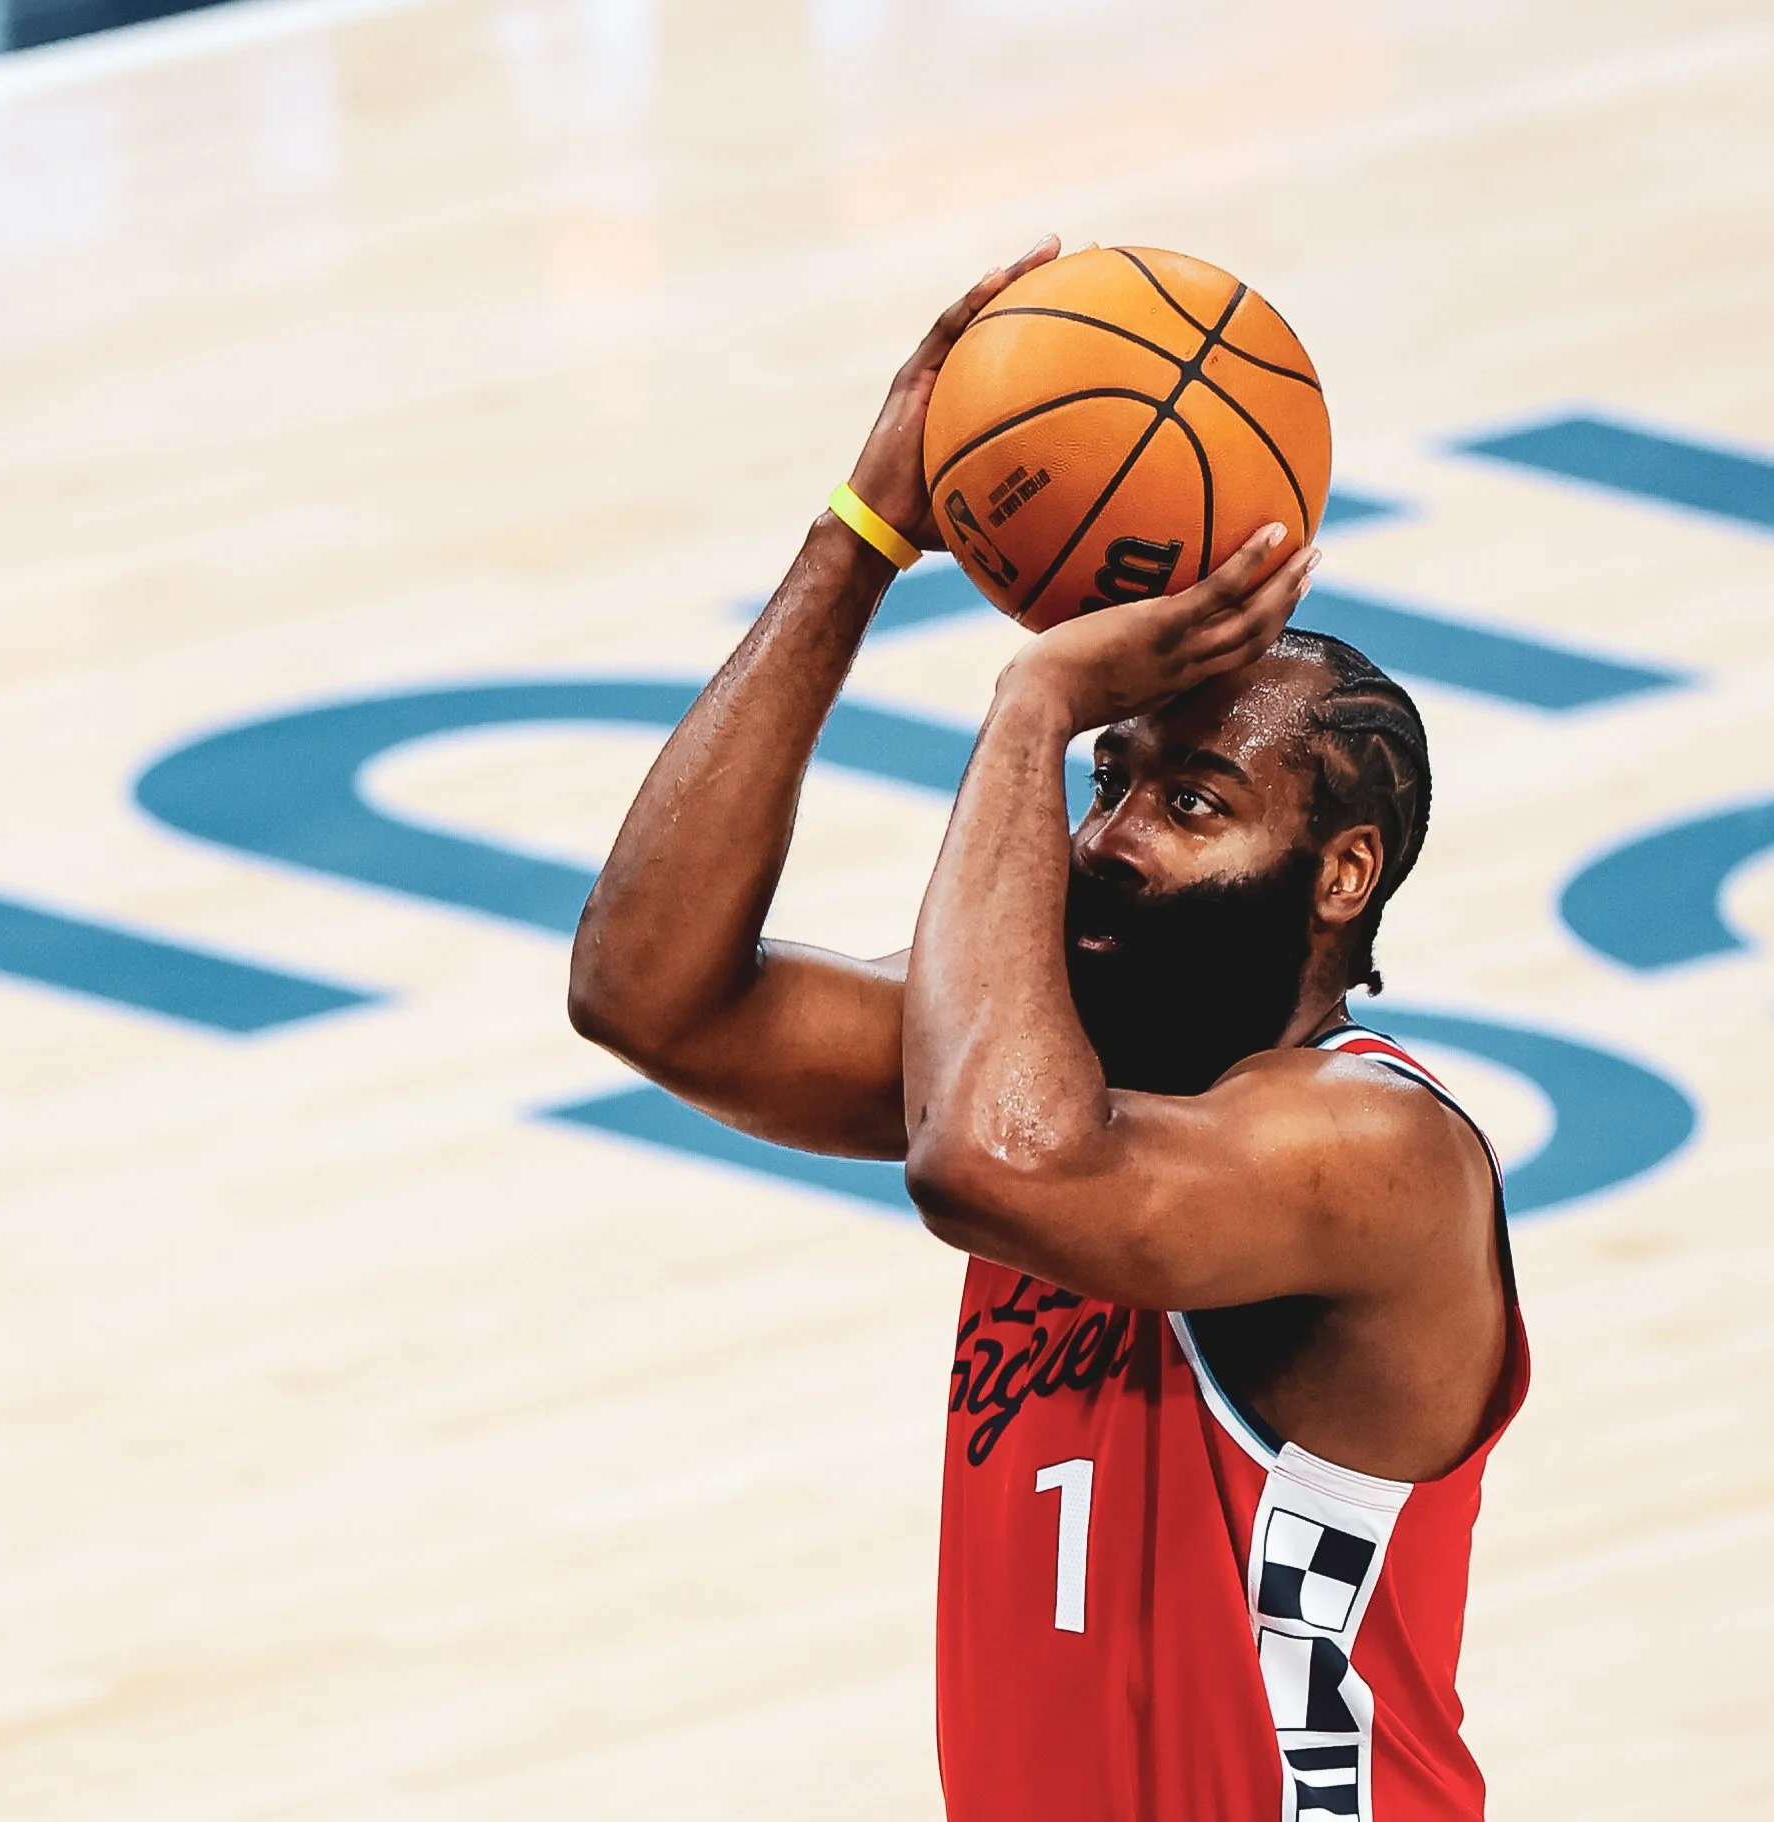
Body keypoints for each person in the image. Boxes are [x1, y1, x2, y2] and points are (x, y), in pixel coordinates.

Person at [567, 235, 1525, 1822]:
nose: (1112, 836)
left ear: (1342, 875)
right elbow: (647, 989)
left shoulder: (1376, 1150)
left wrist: (1033, 707)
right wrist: (862, 536)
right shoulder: (1052, 1048)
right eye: (1109, 777)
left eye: (1192, 803)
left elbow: (989, 1163)